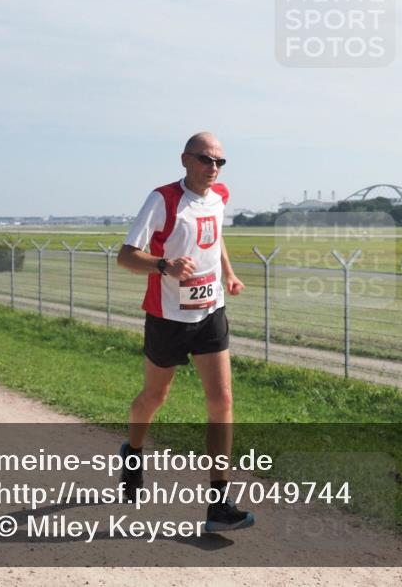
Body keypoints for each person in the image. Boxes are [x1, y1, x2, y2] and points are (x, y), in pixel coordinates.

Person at [116, 132, 252, 532]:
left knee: (222, 400)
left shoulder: (220, 195)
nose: (213, 168)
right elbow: (125, 256)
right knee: (154, 396)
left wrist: (227, 271)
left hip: (210, 313)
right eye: (206, 160)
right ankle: (133, 452)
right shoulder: (162, 200)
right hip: (168, 317)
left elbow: (215, 233)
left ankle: (219, 504)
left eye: (219, 162)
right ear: (185, 160)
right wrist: (163, 266)